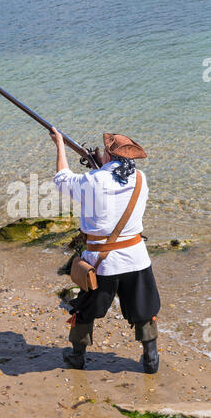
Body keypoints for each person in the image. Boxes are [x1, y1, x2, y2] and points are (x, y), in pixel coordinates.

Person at [50, 127, 161, 374]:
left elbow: (61, 179)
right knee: (145, 310)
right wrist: (99, 167)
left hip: (102, 263)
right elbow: (115, 184)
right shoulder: (141, 179)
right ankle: (151, 360)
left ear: (108, 157)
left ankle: (77, 358)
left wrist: (59, 143)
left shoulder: (94, 180)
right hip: (136, 259)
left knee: (85, 310)